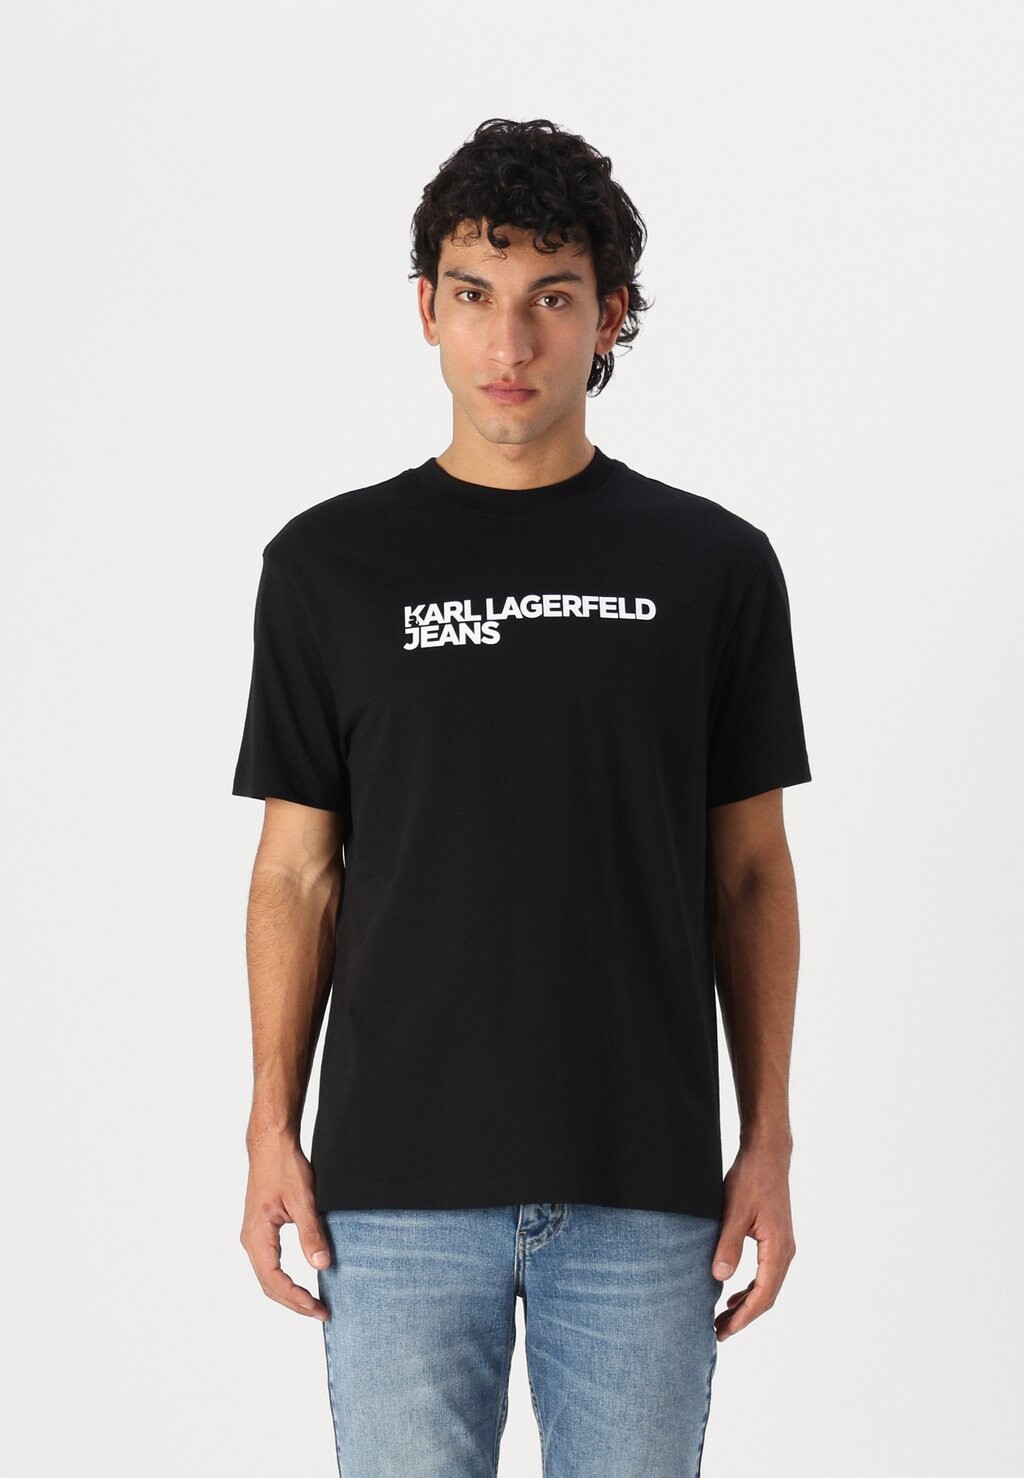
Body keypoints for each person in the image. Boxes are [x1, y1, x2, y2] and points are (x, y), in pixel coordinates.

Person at [232, 116, 812, 1477]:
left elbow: (751, 874)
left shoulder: (714, 566)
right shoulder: (328, 567)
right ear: (426, 308)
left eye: (552, 297)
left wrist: (768, 1137)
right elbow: (295, 872)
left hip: (643, 1184)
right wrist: (270, 1124)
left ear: (611, 316)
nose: (509, 341)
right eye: (476, 294)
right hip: (392, 1187)